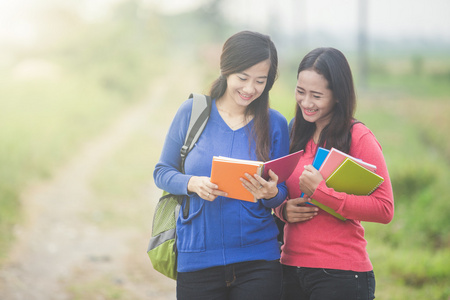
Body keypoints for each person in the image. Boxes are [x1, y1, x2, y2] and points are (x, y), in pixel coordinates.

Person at [154, 31, 289, 300]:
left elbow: (282, 192)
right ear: (225, 70)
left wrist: (271, 193)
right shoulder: (192, 113)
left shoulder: (275, 124)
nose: (250, 88)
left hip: (259, 258)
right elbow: (162, 171)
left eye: (260, 81)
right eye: (243, 77)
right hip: (197, 257)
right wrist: (192, 183)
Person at [274, 47, 394, 300]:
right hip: (290, 269)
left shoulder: (358, 137)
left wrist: (321, 193)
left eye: (316, 96)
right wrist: (282, 209)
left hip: (340, 274)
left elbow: (384, 209)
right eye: (301, 92)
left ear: (338, 95)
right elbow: (279, 188)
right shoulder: (294, 131)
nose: (306, 103)